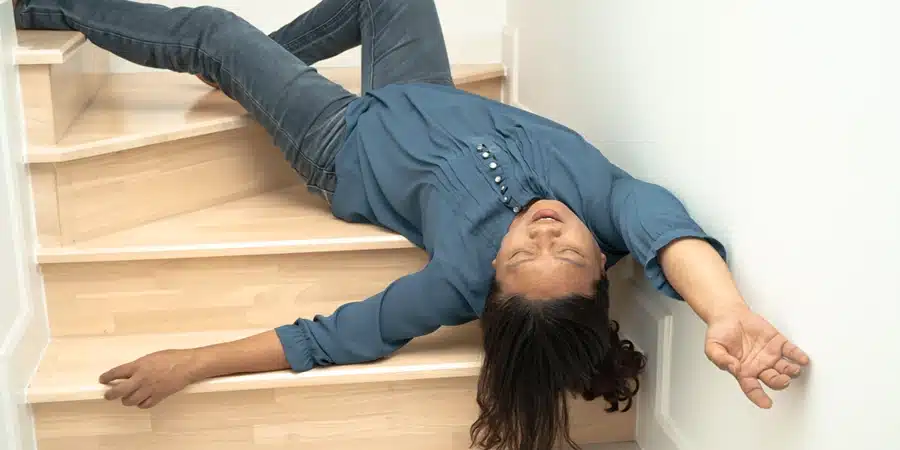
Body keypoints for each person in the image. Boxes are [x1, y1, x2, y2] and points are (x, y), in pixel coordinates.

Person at [14, 1, 810, 449]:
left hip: (342, 143)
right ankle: (247, 70)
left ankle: (45, 3)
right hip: (423, 92)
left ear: (490, 279)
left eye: (526, 254)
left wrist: (191, 363)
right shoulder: (608, 205)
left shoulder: (454, 282)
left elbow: (330, 338)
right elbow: (674, 235)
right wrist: (725, 312)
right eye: (563, 248)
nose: (544, 230)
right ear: (603, 264)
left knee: (214, 32)